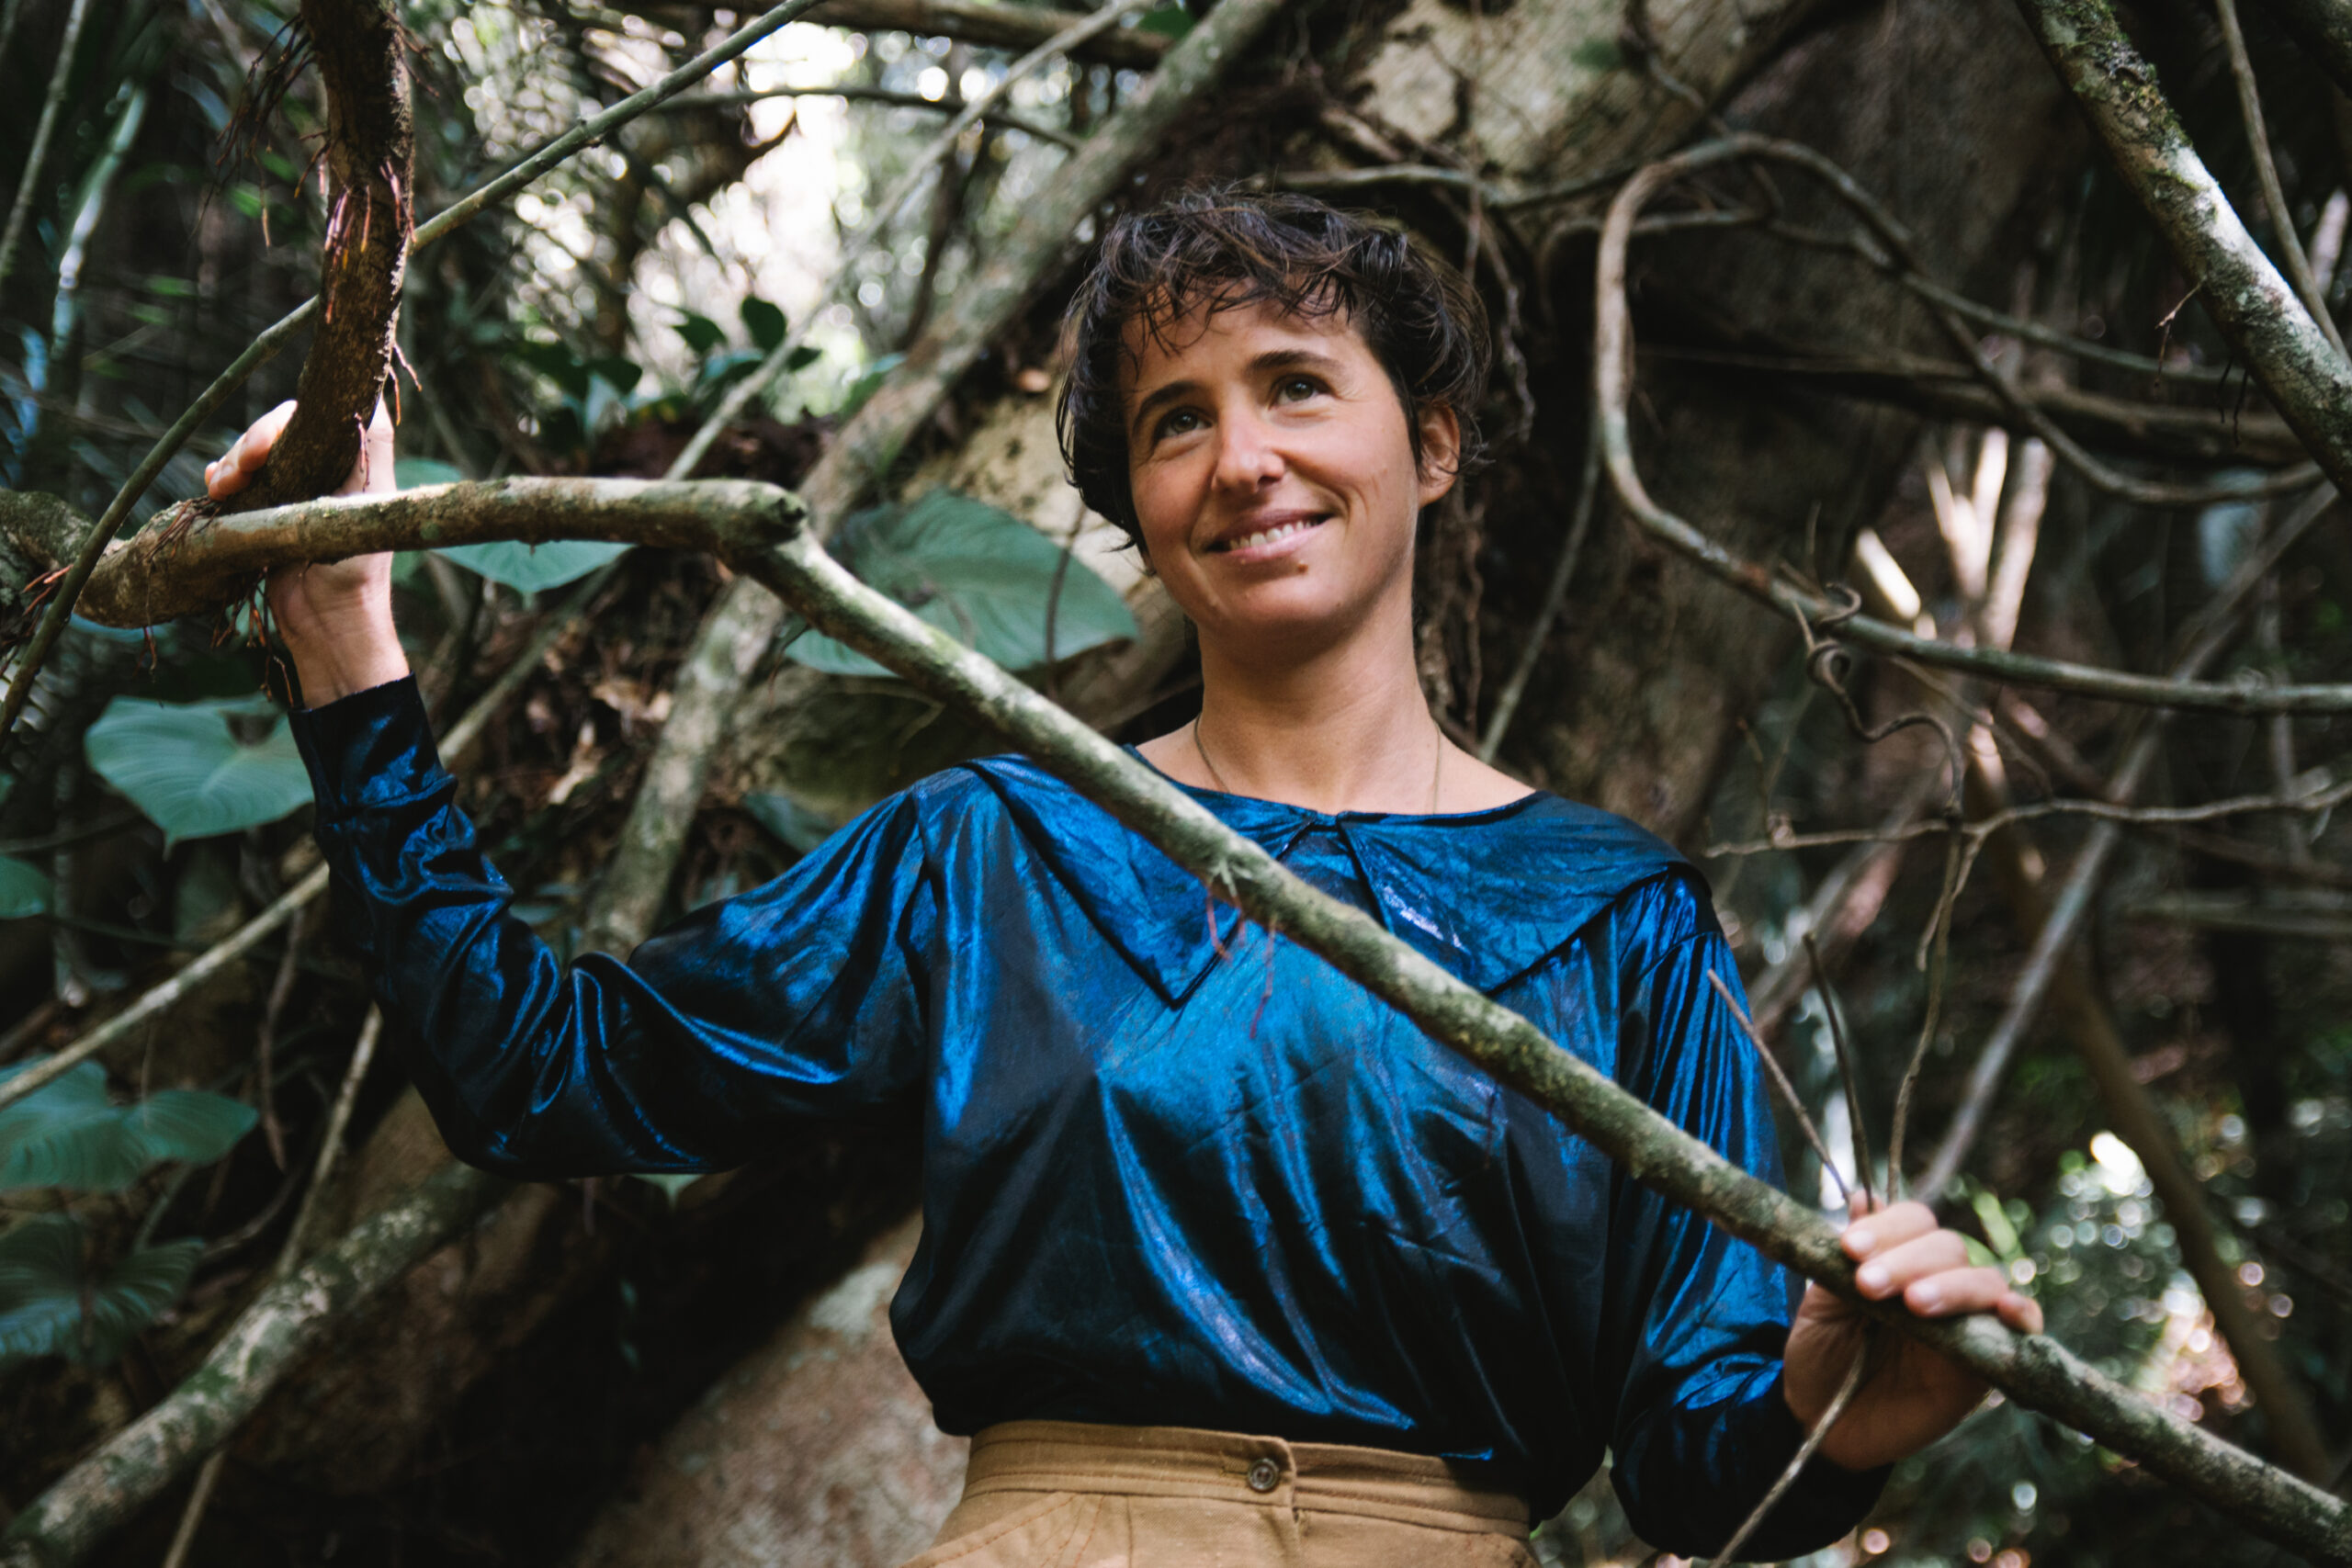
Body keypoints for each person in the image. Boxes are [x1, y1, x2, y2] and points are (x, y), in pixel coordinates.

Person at [211, 189, 2040, 1566]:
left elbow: (1698, 1472)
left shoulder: (1612, 912)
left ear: (1432, 445)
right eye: (1176, 419)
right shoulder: (1001, 845)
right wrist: (344, 634)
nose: (1242, 460)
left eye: (1296, 386)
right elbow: (538, 1069)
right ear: (1142, 513)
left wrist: (1837, 1404)